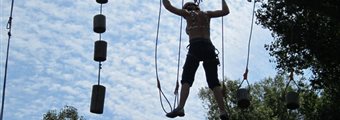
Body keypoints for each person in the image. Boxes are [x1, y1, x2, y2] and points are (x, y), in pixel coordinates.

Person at [162, 0, 230, 119]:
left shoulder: (187, 14)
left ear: (188, 8)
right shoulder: (207, 14)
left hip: (195, 47)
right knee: (214, 82)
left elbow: (168, 6)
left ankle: (181, 107)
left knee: (186, 79)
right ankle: (223, 111)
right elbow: (225, 11)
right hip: (209, 47)